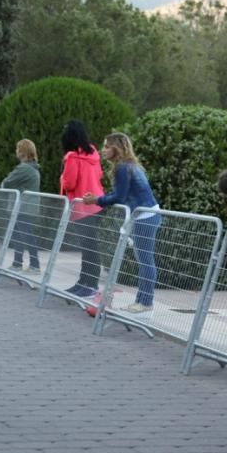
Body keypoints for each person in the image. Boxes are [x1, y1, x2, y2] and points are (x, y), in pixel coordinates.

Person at [83, 133, 161, 313]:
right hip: (147, 215)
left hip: (144, 217)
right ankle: (143, 301)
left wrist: (96, 200)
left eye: (107, 147)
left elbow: (120, 196)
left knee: (145, 261)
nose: (103, 150)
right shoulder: (129, 165)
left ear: (117, 148)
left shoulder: (122, 168)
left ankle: (145, 302)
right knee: (145, 261)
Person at [59, 120, 104, 298]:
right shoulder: (93, 153)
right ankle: (85, 282)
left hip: (81, 206)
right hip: (96, 203)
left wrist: (61, 178)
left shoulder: (71, 156)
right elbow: (98, 175)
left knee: (88, 247)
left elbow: (70, 183)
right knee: (91, 246)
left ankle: (89, 284)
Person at [0, 139, 41, 273]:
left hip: (23, 207)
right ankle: (18, 263)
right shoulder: (33, 168)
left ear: (23, 152)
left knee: (25, 236)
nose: (16, 151)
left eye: (18, 149)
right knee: (20, 235)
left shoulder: (23, 168)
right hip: (28, 207)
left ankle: (34, 265)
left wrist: (4, 183)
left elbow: (6, 183)